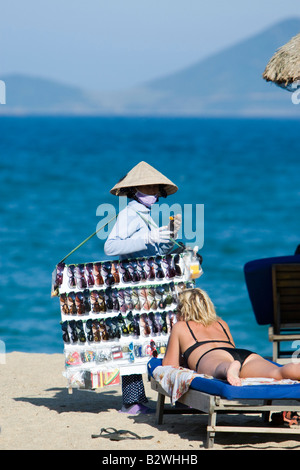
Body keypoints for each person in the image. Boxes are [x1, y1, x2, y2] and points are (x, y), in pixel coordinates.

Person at [104, 161, 181, 414]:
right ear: (136, 189)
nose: (156, 192)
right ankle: (132, 401)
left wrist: (168, 237)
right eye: (151, 187)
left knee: (142, 341)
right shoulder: (129, 213)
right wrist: (147, 237)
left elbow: (155, 252)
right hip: (131, 288)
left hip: (144, 287)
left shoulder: (143, 214)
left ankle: (138, 399)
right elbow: (111, 247)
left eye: (157, 188)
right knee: (133, 342)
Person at [163, 287, 300, 387]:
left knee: (220, 368)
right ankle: (295, 368)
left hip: (214, 357)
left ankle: (228, 368)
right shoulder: (221, 323)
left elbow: (170, 364)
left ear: (183, 310)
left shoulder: (180, 326)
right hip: (243, 355)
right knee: (278, 372)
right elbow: (230, 349)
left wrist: (186, 358)